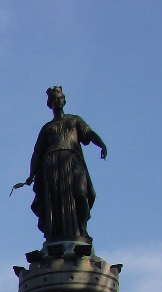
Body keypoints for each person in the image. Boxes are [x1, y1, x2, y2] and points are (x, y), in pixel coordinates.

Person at [22, 86, 107, 246]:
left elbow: (88, 133)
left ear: (64, 100)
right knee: (55, 201)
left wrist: (101, 144)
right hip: (53, 165)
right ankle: (57, 234)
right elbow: (37, 152)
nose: (57, 101)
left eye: (60, 98)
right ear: (50, 103)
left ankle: (81, 230)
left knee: (81, 193)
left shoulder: (74, 120)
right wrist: (31, 174)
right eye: (54, 99)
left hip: (72, 161)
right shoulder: (47, 128)